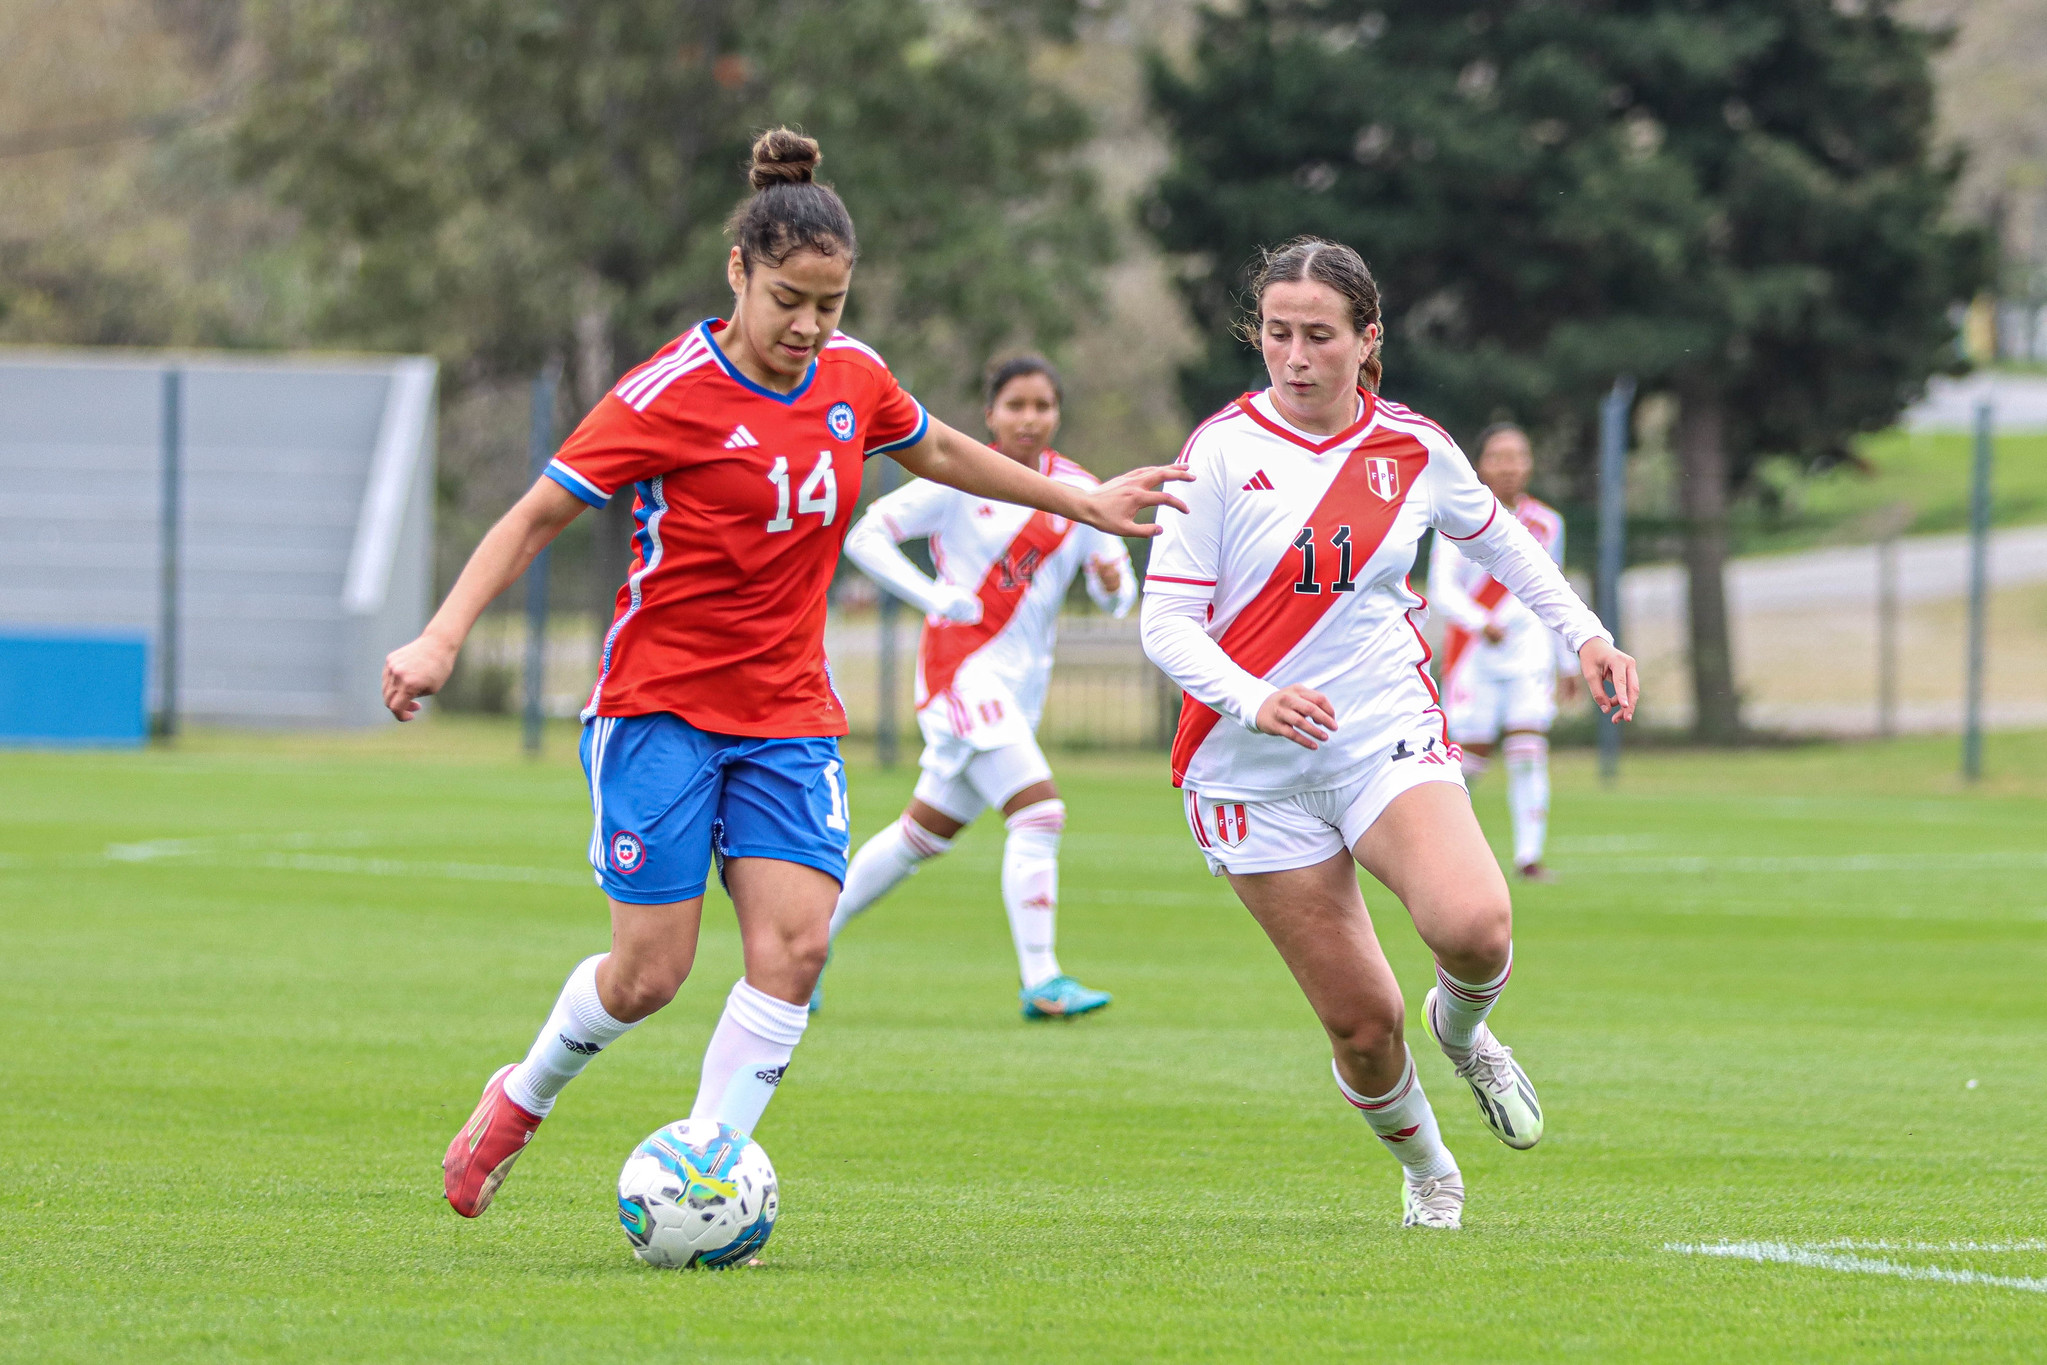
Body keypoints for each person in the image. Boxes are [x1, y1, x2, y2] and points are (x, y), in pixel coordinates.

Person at [382, 129, 1188, 1220]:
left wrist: (1081, 502)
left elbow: (939, 449)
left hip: (788, 714)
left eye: (832, 305)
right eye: (789, 301)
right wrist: (439, 638)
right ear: (738, 274)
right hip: (658, 709)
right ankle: (521, 1098)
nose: (809, 328)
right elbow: (534, 517)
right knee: (650, 974)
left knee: (798, 946)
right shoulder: (664, 393)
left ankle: (706, 1174)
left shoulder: (852, 378)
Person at [1139, 238, 1637, 1230]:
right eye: (1277, 334)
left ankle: (1462, 1033)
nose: (1295, 357)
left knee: (1473, 924)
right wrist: (1252, 696)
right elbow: (1164, 624)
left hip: (1378, 729)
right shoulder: (1222, 453)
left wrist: (1584, 634)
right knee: (1362, 1026)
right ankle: (1429, 1173)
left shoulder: (1411, 446)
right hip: (1249, 774)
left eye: (1318, 336)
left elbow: (1499, 537)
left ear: (1367, 341)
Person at [825, 355, 1134, 1019]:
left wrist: (1114, 587)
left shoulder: (1080, 490)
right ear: (989, 413)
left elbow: (1117, 592)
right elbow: (867, 536)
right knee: (1039, 811)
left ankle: (797, 952)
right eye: (1015, 405)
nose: (1029, 418)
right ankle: (1042, 980)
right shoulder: (959, 475)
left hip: (1018, 688)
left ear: (1057, 413)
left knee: (919, 835)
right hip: (960, 672)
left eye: (1042, 405)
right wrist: (933, 593)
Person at [1427, 423, 1579, 881]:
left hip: (1529, 652)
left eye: (1518, 455)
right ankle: (1449, 850)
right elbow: (1442, 589)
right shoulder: (1458, 518)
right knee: (1468, 756)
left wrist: (1568, 660)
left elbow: (1555, 593)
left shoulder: (1548, 524)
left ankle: (1528, 857)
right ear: (1481, 464)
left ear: (1529, 463)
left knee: (1528, 749)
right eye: (1499, 456)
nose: (1509, 466)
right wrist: (1480, 621)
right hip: (1474, 654)